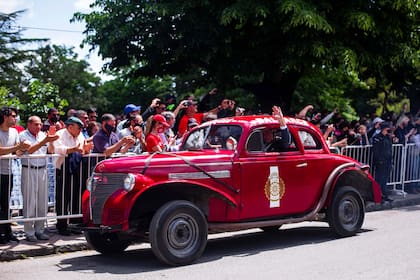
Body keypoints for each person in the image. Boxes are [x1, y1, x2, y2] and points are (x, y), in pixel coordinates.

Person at [19, 116, 59, 242]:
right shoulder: (22, 135)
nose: (39, 127)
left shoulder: (43, 135)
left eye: (40, 124)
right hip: (29, 169)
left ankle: (40, 230)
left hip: (43, 169)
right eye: (36, 124)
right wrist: (44, 141)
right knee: (30, 201)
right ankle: (29, 232)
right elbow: (29, 150)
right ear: (29, 124)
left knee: (42, 202)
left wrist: (51, 141)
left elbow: (50, 151)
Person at [51, 116, 93, 235]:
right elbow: (58, 149)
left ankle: (75, 224)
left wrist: (87, 149)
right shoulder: (60, 134)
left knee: (76, 195)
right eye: (78, 128)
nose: (80, 130)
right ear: (70, 127)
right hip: (64, 167)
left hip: (77, 166)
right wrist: (74, 149)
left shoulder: (80, 135)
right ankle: (62, 226)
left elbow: (83, 149)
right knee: (63, 197)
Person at [0, 107, 31, 243]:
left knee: (6, 204)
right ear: (5, 117)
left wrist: (23, 149)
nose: (15, 118)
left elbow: (16, 153)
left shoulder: (14, 132)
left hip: (8, 172)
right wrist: (17, 148)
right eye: (13, 116)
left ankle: (7, 232)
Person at [372, 122, 393, 202]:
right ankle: (378, 196)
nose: (389, 130)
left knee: (385, 180)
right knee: (379, 180)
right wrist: (379, 160)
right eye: (387, 128)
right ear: (384, 129)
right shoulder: (377, 137)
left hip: (387, 161)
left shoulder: (388, 137)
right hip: (380, 162)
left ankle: (384, 195)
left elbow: (390, 149)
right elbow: (376, 150)